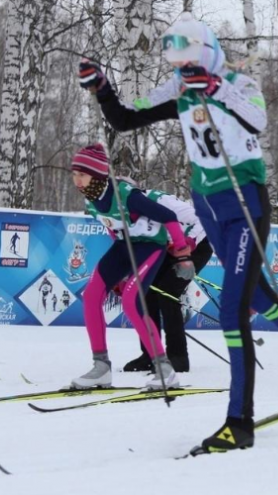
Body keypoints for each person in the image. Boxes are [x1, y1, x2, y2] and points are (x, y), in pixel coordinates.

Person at [79, 12, 278, 453]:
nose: (182, 73)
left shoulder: (237, 81)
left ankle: (239, 422)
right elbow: (124, 119)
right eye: (176, 66)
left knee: (234, 308)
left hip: (243, 204)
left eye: (187, 63)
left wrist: (216, 91)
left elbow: (257, 122)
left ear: (207, 53)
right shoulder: (180, 89)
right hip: (208, 206)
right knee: (254, 295)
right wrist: (103, 90)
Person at [69, 143, 196, 391]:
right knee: (92, 294)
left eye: (81, 175)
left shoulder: (127, 196)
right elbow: (111, 227)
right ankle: (101, 368)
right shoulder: (92, 201)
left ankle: (165, 371)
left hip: (151, 247)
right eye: (74, 174)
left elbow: (169, 218)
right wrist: (118, 270)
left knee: (131, 301)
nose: (77, 181)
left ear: (96, 175)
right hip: (125, 246)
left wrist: (182, 254)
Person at [122, 188, 213, 374]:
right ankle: (151, 354)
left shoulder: (161, 201)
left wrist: (188, 245)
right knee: (145, 293)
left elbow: (204, 219)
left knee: (167, 293)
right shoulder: (121, 211)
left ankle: (178, 358)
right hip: (167, 247)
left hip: (196, 246)